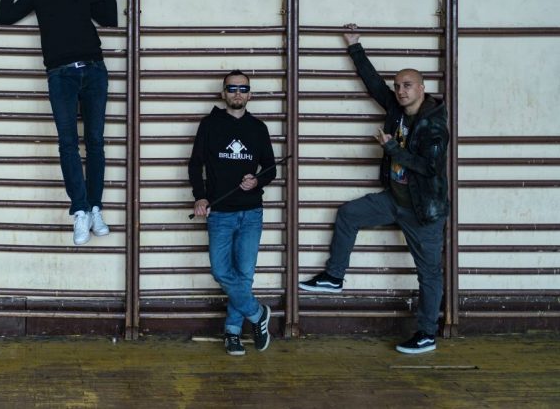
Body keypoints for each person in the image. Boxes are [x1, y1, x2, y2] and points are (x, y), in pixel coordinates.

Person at [299, 24, 449, 354]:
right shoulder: (396, 108)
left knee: (429, 274)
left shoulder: (435, 124)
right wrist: (354, 46)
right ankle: (334, 277)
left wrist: (392, 148)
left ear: (422, 88)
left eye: (407, 85)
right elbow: (374, 84)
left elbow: (429, 167)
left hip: (423, 211)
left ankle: (426, 334)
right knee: (349, 214)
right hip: (395, 199)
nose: (401, 91)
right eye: (398, 86)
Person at [0, 0, 117, 246]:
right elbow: (6, 17)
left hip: (94, 70)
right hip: (60, 74)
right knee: (68, 143)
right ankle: (80, 210)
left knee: (95, 141)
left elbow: (108, 19)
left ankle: (95, 207)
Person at [189, 70, 275, 356]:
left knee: (244, 275)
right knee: (221, 271)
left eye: (243, 89)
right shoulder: (209, 125)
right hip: (221, 213)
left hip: (251, 213)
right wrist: (200, 196)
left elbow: (271, 169)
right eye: (232, 88)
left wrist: (257, 180)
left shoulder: (258, 128)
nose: (238, 93)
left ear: (250, 94)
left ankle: (233, 332)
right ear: (223, 93)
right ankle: (258, 314)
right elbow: (195, 164)